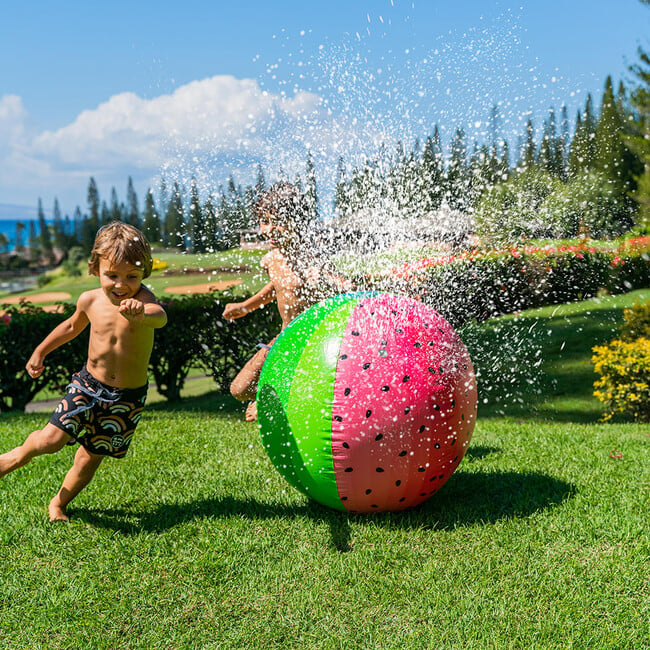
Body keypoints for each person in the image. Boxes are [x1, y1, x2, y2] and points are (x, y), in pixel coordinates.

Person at [0, 221, 167, 522]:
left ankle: (59, 504)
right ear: (96, 269)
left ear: (144, 274)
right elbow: (70, 327)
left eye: (132, 276)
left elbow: (160, 317)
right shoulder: (90, 300)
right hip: (87, 386)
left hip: (126, 398)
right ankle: (12, 458)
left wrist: (142, 312)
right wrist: (40, 351)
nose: (121, 284)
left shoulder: (144, 300)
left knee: (89, 459)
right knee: (51, 441)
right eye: (112, 275)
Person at [223, 182, 354, 422]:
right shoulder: (271, 259)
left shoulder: (313, 257)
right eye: (264, 221)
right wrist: (246, 307)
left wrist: (328, 281)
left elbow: (346, 288)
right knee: (239, 389)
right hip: (285, 339)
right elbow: (279, 286)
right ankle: (273, 401)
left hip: (317, 345)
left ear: (297, 221)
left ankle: (275, 405)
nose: (268, 230)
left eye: (277, 221)